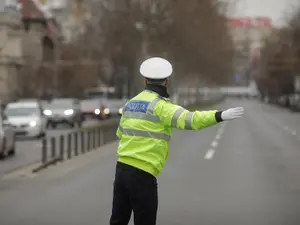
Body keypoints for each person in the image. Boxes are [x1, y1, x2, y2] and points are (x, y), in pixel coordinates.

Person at [109, 57, 244, 225]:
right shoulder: (161, 107)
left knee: (118, 220)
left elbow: (120, 133)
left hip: (121, 170)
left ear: (145, 80)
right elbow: (191, 120)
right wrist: (220, 115)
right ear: (166, 82)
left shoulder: (131, 104)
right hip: (143, 174)